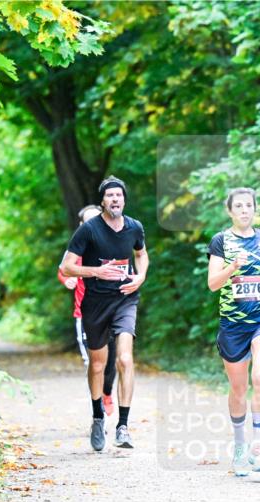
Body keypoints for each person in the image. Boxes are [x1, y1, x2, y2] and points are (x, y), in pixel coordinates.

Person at [207, 188, 260, 477]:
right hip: (233, 324)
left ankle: (259, 444)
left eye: (249, 205)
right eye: (239, 206)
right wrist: (232, 267)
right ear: (230, 211)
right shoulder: (221, 241)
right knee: (238, 387)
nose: (244, 210)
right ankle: (241, 446)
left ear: (255, 209)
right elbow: (212, 284)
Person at [60, 176, 148, 452]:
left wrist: (140, 276)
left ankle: (123, 426)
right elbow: (66, 267)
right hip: (95, 303)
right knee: (98, 365)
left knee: (124, 358)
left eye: (119, 196)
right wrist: (95, 271)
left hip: (125, 299)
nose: (115, 200)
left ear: (124, 199)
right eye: (110, 196)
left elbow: (141, 254)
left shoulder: (135, 227)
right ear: (102, 201)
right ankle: (98, 417)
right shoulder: (88, 230)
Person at [58, 205, 117, 415]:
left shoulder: (113, 244)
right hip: (84, 313)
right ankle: (98, 405)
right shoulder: (75, 249)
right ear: (82, 225)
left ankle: (107, 392)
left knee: (111, 361)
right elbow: (62, 271)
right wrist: (67, 281)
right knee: (93, 362)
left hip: (110, 310)